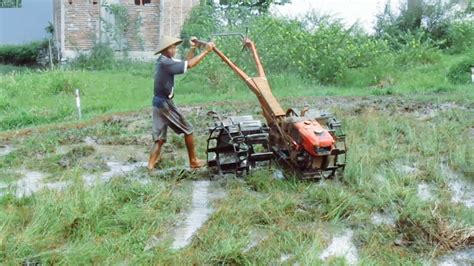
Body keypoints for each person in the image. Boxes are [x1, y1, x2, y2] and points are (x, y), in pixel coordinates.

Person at [148, 36, 215, 170]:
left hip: (157, 102)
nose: (174, 50)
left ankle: (150, 166)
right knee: (188, 130)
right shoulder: (166, 63)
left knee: (160, 139)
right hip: (165, 103)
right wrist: (206, 51)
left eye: (174, 47)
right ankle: (193, 161)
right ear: (165, 50)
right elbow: (190, 65)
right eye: (171, 48)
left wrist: (193, 47)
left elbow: (185, 62)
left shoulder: (164, 61)